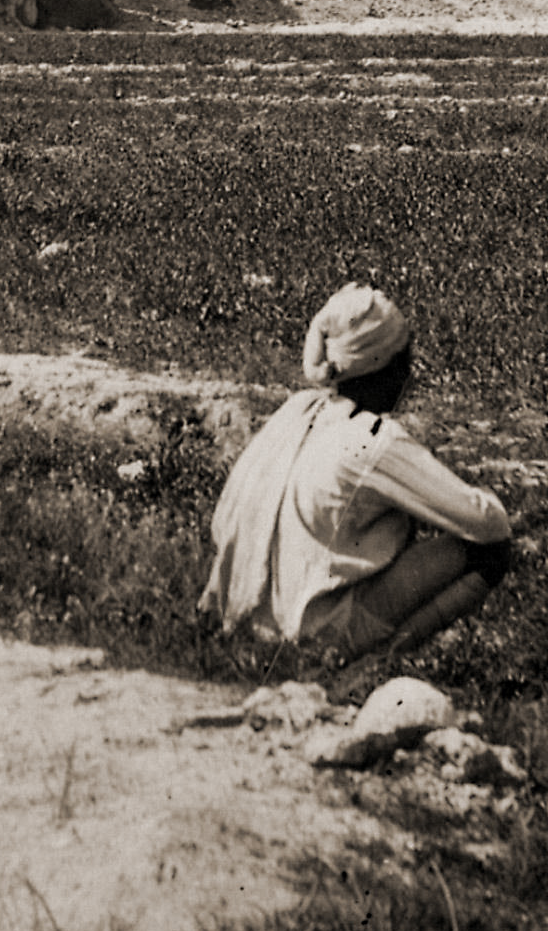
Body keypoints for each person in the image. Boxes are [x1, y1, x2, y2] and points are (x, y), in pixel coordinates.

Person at [205, 284, 520, 665]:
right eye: (402, 360)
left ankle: (322, 657)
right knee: (490, 551)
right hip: (314, 633)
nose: (408, 374)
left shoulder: (298, 411)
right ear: (380, 365)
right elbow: (488, 523)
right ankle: (368, 666)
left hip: (252, 620)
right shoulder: (374, 440)